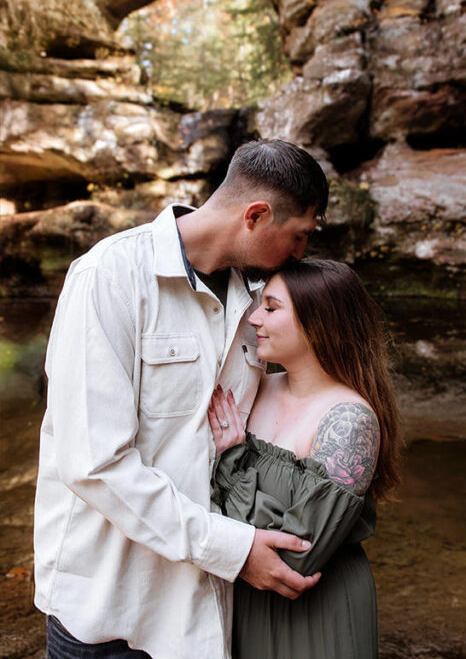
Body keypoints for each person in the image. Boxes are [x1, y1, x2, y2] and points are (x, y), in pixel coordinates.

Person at [34, 139, 330, 659]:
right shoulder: (109, 277)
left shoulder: (258, 304)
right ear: (256, 215)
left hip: (202, 615)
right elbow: (94, 463)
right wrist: (235, 551)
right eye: (299, 235)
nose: (301, 254)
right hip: (108, 609)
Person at [206, 259, 400, 659]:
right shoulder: (257, 387)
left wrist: (231, 460)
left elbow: (295, 556)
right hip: (244, 599)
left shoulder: (349, 421)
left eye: (271, 308)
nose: (254, 317)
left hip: (315, 610)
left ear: (319, 322)